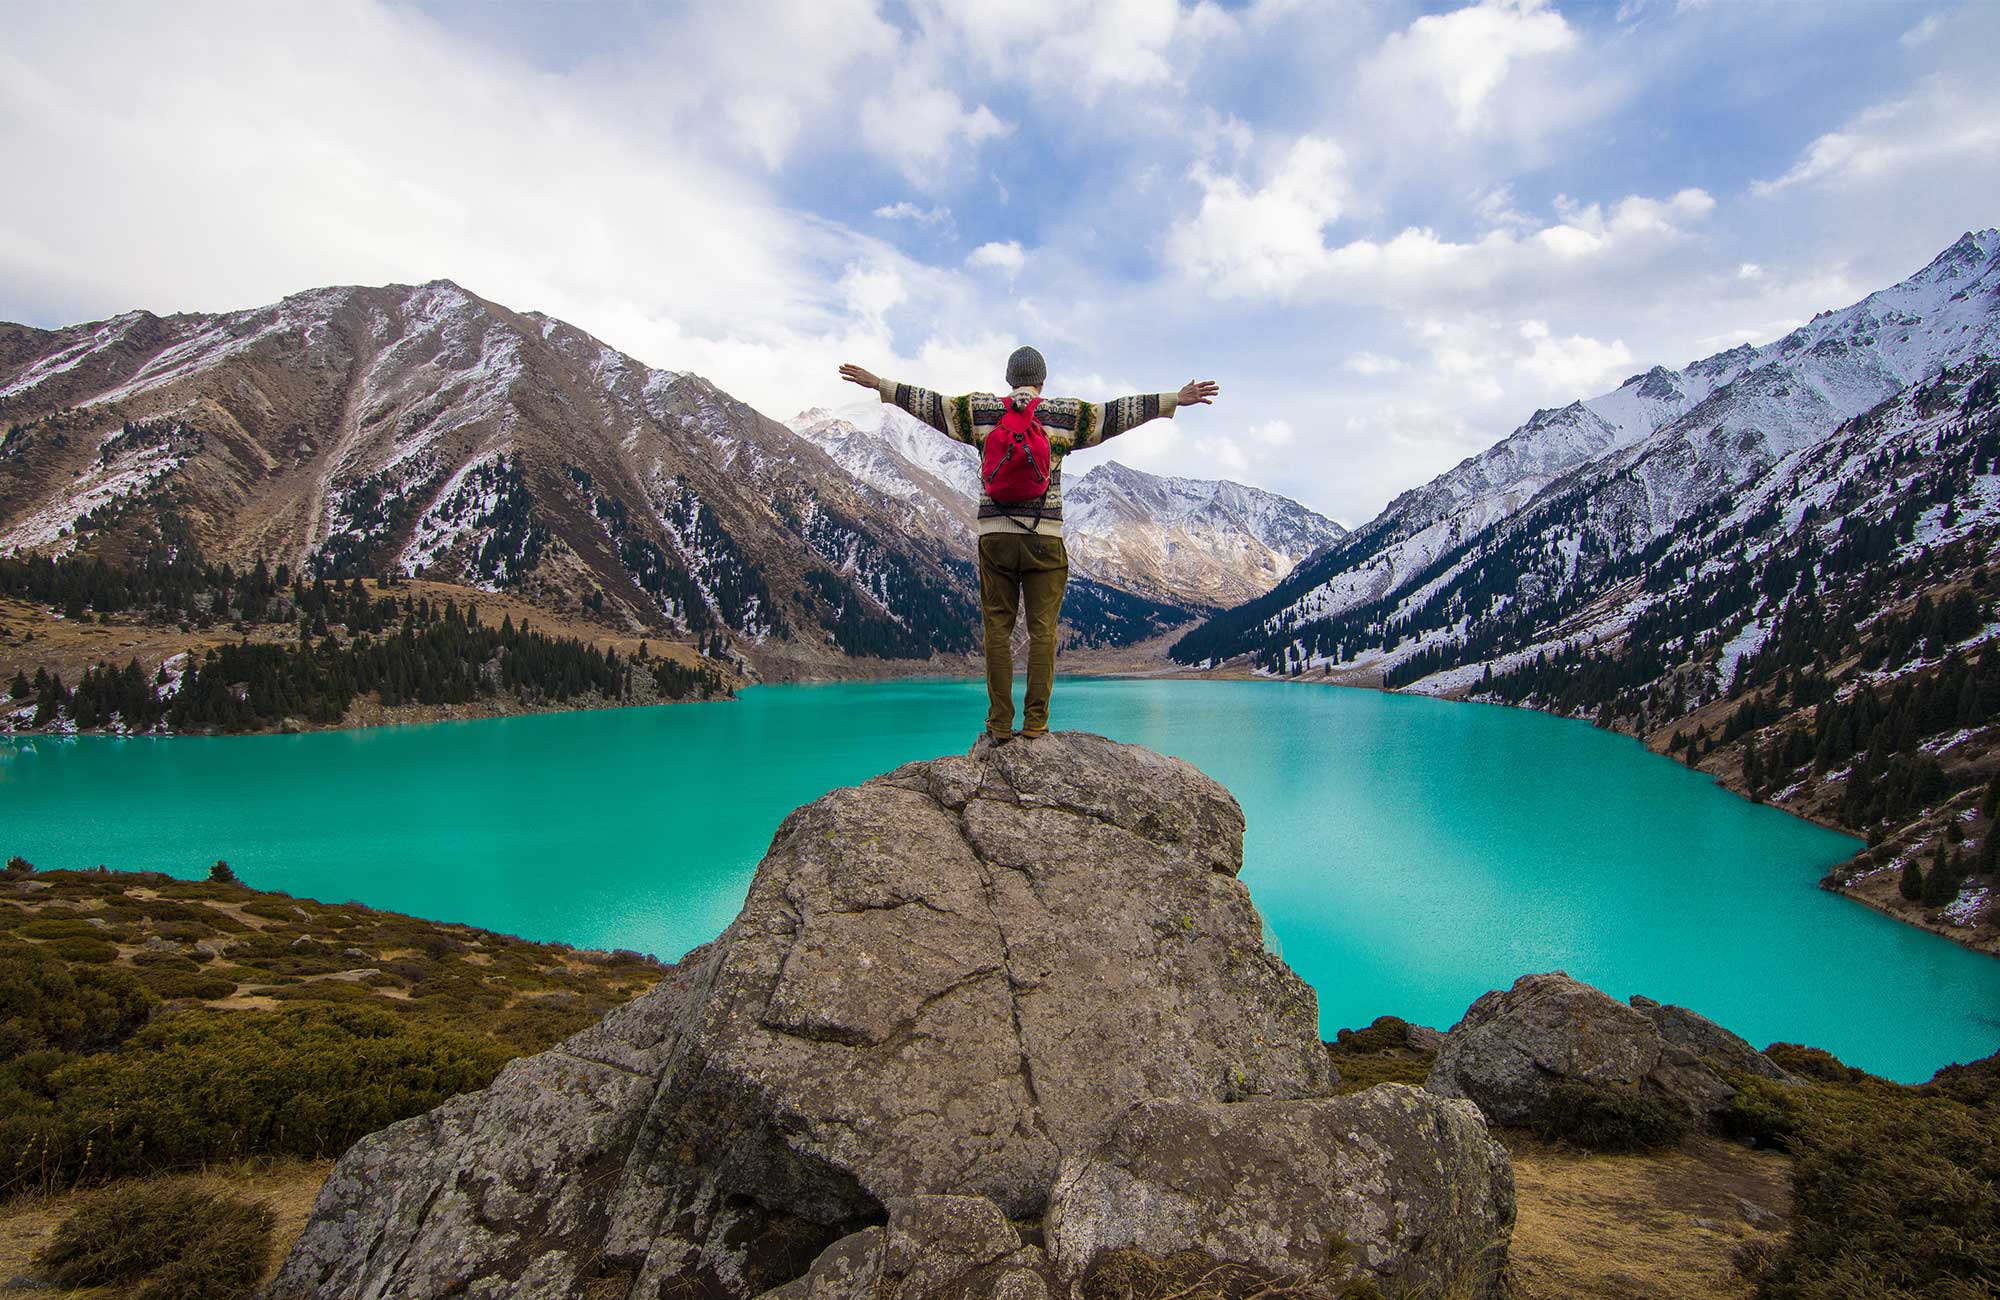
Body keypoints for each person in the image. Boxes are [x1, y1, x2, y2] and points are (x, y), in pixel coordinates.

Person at [838, 347, 1219, 744]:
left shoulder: (980, 411)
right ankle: (1036, 724)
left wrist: (881, 384)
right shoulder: (1063, 415)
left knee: (997, 632)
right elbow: (1116, 413)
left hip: (996, 538)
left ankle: (999, 724)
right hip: (1045, 539)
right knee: (1042, 633)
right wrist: (1172, 399)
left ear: (1009, 379)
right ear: (1042, 379)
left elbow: (931, 405)